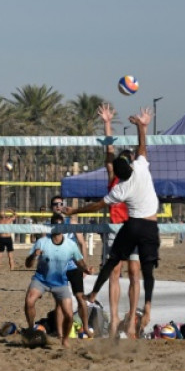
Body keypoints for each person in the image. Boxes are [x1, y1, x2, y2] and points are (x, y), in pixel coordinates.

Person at [64, 106, 160, 340]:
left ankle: (130, 318)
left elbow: (131, 152)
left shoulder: (126, 181)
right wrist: (109, 123)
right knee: (116, 272)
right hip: (117, 228)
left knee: (134, 273)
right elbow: (111, 152)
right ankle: (115, 316)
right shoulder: (117, 178)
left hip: (129, 227)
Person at [23, 212, 92, 347]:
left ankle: (65, 339)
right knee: (29, 301)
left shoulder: (70, 245)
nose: (58, 228)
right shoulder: (42, 242)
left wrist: (86, 269)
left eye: (60, 226)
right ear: (51, 227)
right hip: (41, 279)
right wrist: (33, 256)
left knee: (69, 315)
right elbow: (27, 264)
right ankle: (31, 328)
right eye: (55, 226)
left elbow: (79, 261)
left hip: (60, 282)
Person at [50, 196, 92, 337]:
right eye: (55, 204)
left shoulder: (72, 222)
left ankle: (86, 328)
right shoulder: (48, 225)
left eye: (61, 204)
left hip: (74, 267)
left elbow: (82, 244)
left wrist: (83, 266)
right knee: (59, 303)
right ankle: (61, 334)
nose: (58, 206)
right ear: (52, 207)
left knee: (80, 298)